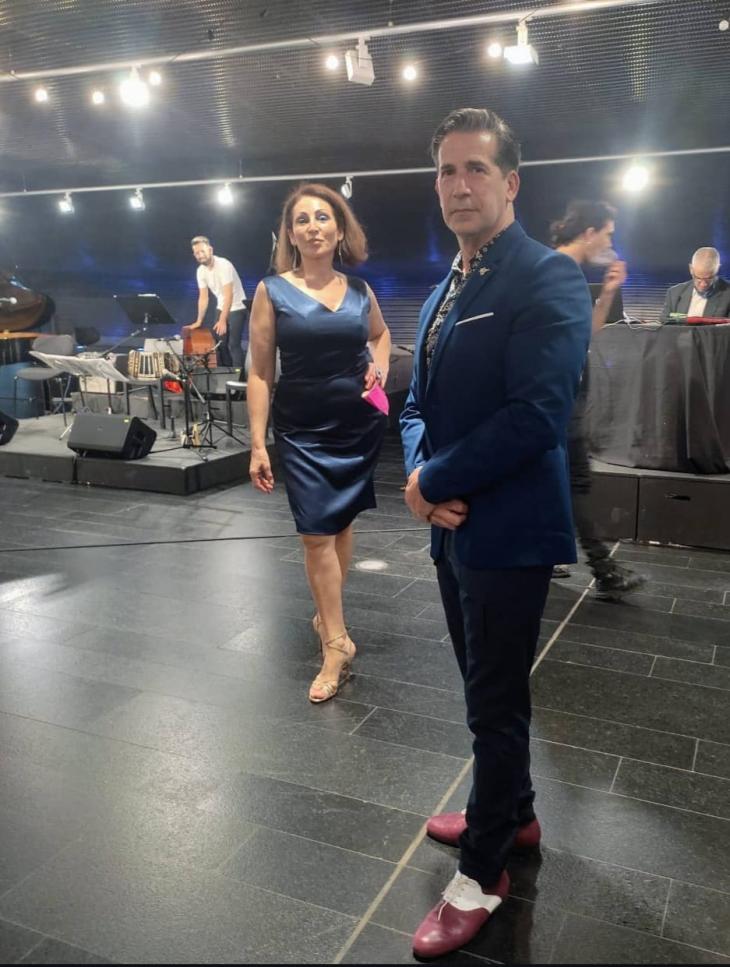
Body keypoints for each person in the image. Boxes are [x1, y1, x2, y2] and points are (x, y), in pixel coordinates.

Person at [400, 107, 591, 959]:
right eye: (446, 170)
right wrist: (421, 477)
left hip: (508, 531)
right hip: (451, 529)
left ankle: (483, 873)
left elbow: (537, 415)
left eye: (475, 168)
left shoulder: (546, 277)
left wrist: (433, 481)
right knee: (486, 692)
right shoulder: (445, 287)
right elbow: (415, 404)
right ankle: (513, 814)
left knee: (495, 705)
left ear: (511, 182)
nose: (459, 185)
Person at [247, 183, 391, 704]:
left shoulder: (360, 290)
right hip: (302, 430)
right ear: (290, 233)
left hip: (356, 424)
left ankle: (327, 616)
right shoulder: (271, 291)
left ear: (339, 229)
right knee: (315, 534)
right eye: (302, 219)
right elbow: (260, 371)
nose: (313, 227)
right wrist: (257, 444)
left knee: (341, 522)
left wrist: (379, 368)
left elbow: (380, 336)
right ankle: (336, 642)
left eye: (323, 217)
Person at [549, 200, 645, 598]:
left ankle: (550, 555)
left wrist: (607, 293)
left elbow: (584, 333)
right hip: (557, 399)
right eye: (607, 233)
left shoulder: (563, 270)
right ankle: (603, 569)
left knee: (563, 481)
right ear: (588, 232)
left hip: (563, 396)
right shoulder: (558, 270)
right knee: (575, 481)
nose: (609, 242)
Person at [189, 236, 248, 368]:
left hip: (237, 306)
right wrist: (199, 321)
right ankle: (225, 374)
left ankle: (239, 377)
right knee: (219, 344)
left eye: (202, 251)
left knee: (233, 344)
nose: (200, 255)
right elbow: (203, 297)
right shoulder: (200, 271)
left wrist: (222, 320)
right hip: (221, 306)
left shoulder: (223, 265)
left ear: (210, 250)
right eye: (197, 253)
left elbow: (229, 295)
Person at [659, 247, 730, 324]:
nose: (703, 284)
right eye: (698, 278)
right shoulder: (674, 293)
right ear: (691, 269)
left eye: (709, 278)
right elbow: (665, 320)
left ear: (718, 269)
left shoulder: (727, 294)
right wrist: (688, 318)